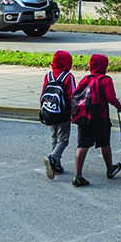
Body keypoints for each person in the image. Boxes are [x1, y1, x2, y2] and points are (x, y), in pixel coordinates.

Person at [71, 53, 121, 187]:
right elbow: (111, 97)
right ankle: (110, 169)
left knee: (82, 144)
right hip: (100, 116)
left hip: (84, 116)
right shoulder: (106, 80)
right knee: (104, 143)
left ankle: (78, 175)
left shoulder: (85, 79)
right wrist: (119, 106)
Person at [42, 50, 76, 179]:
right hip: (63, 113)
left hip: (49, 111)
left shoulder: (48, 75)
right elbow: (72, 95)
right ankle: (53, 158)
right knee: (63, 139)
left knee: (54, 137)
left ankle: (56, 165)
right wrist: (74, 112)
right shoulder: (68, 77)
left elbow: (43, 93)